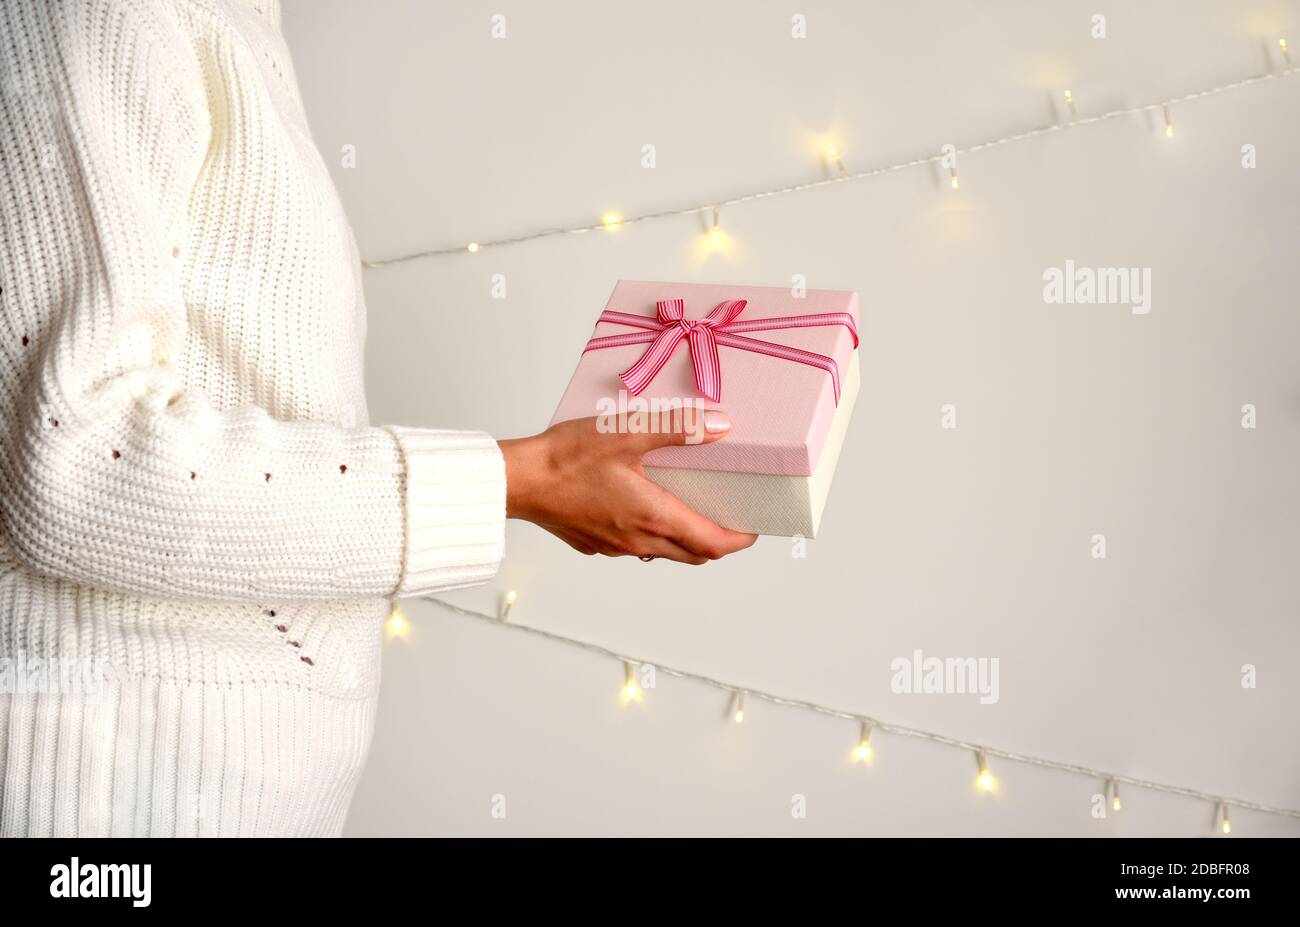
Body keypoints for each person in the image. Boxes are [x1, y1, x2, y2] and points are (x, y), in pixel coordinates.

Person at [0, 0, 754, 837]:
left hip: (251, 784)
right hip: (116, 787)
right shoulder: (112, 14)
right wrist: (519, 479)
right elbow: (78, 457)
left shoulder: (242, 24)